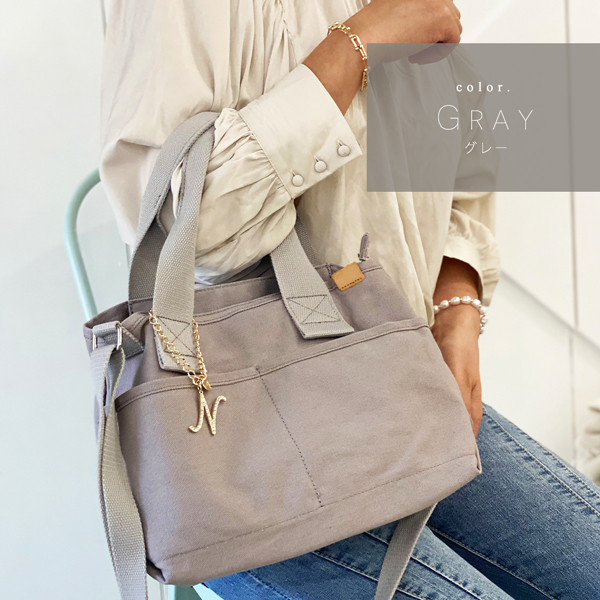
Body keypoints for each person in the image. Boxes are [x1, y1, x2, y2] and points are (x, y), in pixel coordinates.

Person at [100, 0, 600, 597]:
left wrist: (456, 310)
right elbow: (186, 227)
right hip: (243, 444)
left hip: (399, 380)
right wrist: (358, 42)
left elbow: (462, 142)